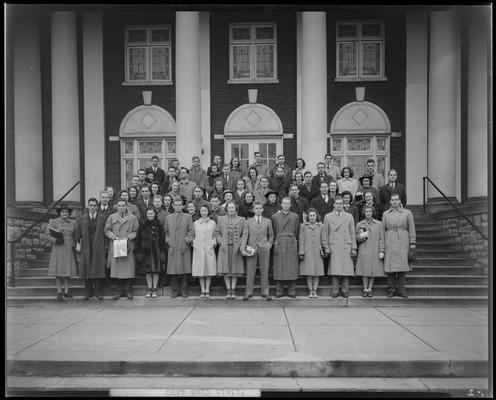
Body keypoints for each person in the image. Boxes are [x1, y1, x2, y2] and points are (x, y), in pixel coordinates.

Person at [322, 196, 357, 298]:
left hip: (346, 245)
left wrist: (354, 247)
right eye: (337, 203)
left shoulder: (349, 216)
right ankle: (335, 290)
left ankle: (345, 290)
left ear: (343, 204)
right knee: (335, 270)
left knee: (346, 270)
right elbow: (326, 234)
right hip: (334, 246)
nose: (339, 205)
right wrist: (327, 247)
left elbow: (352, 233)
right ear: (334, 205)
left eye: (341, 203)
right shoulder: (328, 217)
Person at [382, 193, 416, 298]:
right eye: (393, 200)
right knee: (390, 267)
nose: (395, 202)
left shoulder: (407, 213)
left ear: (400, 201)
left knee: (402, 267)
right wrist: (382, 246)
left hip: (403, 241)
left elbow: (412, 228)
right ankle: (391, 290)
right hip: (390, 240)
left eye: (396, 200)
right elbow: (383, 230)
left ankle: (401, 290)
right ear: (390, 202)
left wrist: (412, 242)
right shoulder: (386, 214)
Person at [105, 199, 139, 300]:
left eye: (123, 205)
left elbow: (136, 230)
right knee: (118, 270)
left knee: (128, 270)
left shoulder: (133, 218)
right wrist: (114, 236)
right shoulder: (112, 217)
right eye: (119, 206)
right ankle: (118, 291)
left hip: (128, 246)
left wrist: (128, 237)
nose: (121, 208)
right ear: (117, 207)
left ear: (126, 206)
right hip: (117, 245)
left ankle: (128, 291)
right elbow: (107, 230)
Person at [240, 201, 274, 300]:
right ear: (253, 210)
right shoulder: (248, 222)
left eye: (260, 208)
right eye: (256, 208)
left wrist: (269, 245)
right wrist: (243, 248)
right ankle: (248, 292)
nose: (258, 210)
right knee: (250, 271)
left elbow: (271, 235)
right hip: (251, 248)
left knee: (265, 271)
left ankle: (265, 292)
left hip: (264, 248)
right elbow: (245, 235)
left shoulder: (267, 221)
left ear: (262, 210)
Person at [75, 198, 106, 300]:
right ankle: (88, 292)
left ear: (97, 207)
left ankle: (98, 292)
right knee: (86, 269)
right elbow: (78, 234)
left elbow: (105, 234)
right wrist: (77, 246)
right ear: (88, 207)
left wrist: (105, 248)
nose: (92, 207)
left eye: (94, 205)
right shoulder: (82, 219)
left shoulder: (103, 218)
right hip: (86, 246)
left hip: (98, 246)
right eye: (91, 205)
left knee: (97, 268)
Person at [45, 203, 78, 300]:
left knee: (67, 271)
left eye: (67, 212)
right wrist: (55, 240)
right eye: (63, 212)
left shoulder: (73, 223)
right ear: (59, 212)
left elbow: (76, 235)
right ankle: (59, 291)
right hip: (58, 248)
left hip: (69, 248)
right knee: (58, 270)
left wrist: (75, 244)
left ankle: (66, 291)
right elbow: (47, 234)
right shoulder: (53, 221)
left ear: (69, 213)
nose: (65, 213)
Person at [164, 197, 194, 298]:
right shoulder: (169, 217)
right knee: (173, 270)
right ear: (173, 205)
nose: (178, 207)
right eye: (176, 205)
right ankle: (175, 290)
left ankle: (184, 291)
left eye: (179, 205)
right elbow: (166, 232)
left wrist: (186, 241)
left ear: (182, 206)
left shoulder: (187, 217)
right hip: (173, 246)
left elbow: (191, 231)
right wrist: (168, 241)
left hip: (183, 246)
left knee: (184, 269)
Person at [215, 201, 245, 299]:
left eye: (233, 208)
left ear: (235, 209)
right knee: (226, 269)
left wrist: (241, 243)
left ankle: (233, 289)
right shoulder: (221, 219)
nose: (231, 209)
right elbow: (217, 232)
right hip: (225, 247)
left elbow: (244, 234)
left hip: (236, 247)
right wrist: (220, 242)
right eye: (229, 208)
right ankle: (228, 289)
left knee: (234, 268)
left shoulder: (242, 219)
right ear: (226, 209)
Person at [271, 197, 300, 298]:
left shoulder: (295, 216)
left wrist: (293, 240)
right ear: (281, 204)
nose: (286, 205)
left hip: (291, 243)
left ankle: (291, 292)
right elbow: (274, 231)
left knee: (291, 267)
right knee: (279, 267)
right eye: (284, 203)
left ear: (290, 205)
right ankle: (279, 292)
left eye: (288, 203)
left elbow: (296, 231)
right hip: (279, 243)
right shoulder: (274, 217)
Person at [135, 207, 166, 298]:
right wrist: (139, 252)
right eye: (148, 213)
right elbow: (138, 240)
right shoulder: (142, 225)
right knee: (148, 272)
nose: (150, 215)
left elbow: (162, 240)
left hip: (156, 252)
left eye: (152, 213)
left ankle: (154, 290)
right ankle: (149, 289)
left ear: (155, 214)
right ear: (146, 214)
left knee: (155, 271)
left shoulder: (159, 225)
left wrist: (162, 252)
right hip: (146, 252)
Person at [355, 205, 385, 297]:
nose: (368, 213)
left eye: (370, 211)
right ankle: (365, 288)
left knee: (373, 271)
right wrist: (361, 237)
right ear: (364, 213)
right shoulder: (360, 224)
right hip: (364, 249)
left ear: (373, 213)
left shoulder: (379, 224)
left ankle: (370, 288)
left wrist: (381, 251)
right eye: (366, 211)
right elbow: (356, 238)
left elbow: (381, 239)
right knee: (365, 271)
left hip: (375, 250)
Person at [192, 205, 217, 298]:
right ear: (200, 212)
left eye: (205, 211)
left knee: (209, 268)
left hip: (209, 248)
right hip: (198, 248)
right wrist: (194, 243)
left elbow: (215, 234)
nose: (204, 212)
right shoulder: (196, 223)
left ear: (208, 212)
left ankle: (207, 289)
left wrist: (213, 242)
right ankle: (202, 289)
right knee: (200, 270)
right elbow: (193, 235)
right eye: (202, 211)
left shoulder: (212, 223)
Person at [298, 209, 325, 298]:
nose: (312, 217)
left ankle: (315, 290)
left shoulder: (321, 226)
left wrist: (325, 250)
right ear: (308, 217)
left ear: (316, 216)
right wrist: (301, 252)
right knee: (309, 272)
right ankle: (310, 290)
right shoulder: (303, 226)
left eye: (314, 216)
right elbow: (301, 240)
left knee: (317, 272)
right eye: (311, 216)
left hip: (317, 251)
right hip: (307, 251)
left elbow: (323, 239)